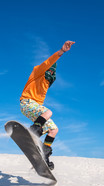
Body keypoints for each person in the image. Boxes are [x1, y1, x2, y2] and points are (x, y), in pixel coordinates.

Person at [20, 40, 75, 170]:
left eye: (52, 76)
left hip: (35, 110)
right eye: (49, 73)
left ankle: (44, 154)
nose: (49, 77)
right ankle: (33, 131)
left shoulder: (46, 84)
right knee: (49, 112)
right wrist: (61, 52)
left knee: (54, 129)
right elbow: (49, 62)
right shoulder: (37, 72)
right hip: (26, 103)